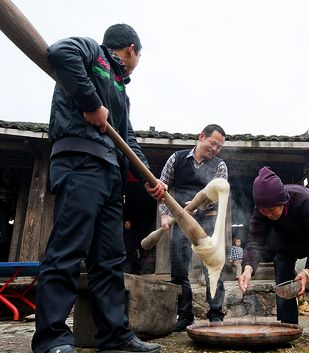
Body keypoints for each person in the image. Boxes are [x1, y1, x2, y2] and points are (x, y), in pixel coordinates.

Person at [32, 24, 165, 353]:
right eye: (139, 56)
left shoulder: (121, 91)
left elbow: (127, 138)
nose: (137, 61)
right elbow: (60, 52)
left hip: (109, 172)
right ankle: (52, 340)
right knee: (69, 248)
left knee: (109, 259)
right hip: (80, 160)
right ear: (132, 49)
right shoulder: (94, 52)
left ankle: (114, 337)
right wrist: (91, 103)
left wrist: (150, 177)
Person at [239, 166, 309, 342]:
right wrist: (248, 268)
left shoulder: (302, 199)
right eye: (265, 211)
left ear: (283, 201)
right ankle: (288, 322)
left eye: (273, 209)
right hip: (289, 234)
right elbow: (255, 240)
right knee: (281, 260)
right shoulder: (261, 210)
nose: (269, 214)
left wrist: (307, 270)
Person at [159, 124, 228, 332]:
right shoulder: (177, 158)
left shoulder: (219, 165)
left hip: (207, 219)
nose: (215, 149)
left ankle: (215, 314)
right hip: (180, 220)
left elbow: (219, 191)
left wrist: (196, 207)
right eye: (213, 143)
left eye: (219, 147)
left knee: (213, 268)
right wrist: (165, 215)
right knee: (179, 269)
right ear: (201, 137)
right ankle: (185, 314)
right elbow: (163, 186)